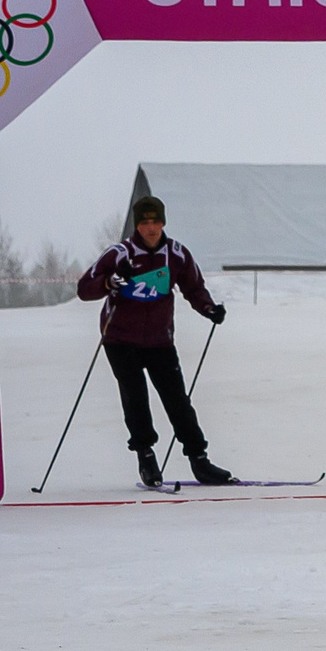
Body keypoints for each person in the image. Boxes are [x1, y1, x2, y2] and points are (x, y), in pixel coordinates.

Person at [75, 195, 233, 488]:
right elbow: (85, 288)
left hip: (160, 340)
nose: (150, 228)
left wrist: (209, 309)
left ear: (163, 222)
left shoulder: (177, 254)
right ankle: (146, 457)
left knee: (177, 401)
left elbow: (194, 287)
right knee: (135, 397)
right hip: (120, 339)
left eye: (155, 221)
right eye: (145, 222)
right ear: (138, 225)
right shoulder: (120, 253)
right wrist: (109, 283)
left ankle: (199, 460)